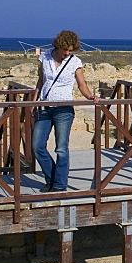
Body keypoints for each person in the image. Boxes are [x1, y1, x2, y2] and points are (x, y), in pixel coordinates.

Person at [33, 30, 98, 192]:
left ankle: (59, 185)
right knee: (37, 146)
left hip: (64, 109)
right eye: (65, 50)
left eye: (70, 50)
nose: (67, 53)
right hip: (44, 106)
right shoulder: (45, 58)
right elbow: (40, 82)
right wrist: (32, 103)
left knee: (61, 148)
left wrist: (90, 96)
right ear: (58, 45)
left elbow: (81, 84)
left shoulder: (75, 62)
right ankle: (53, 178)